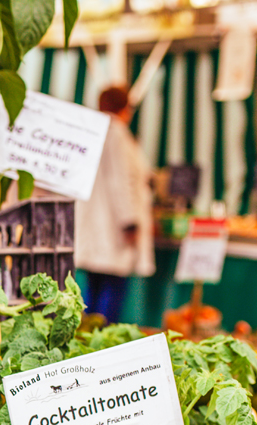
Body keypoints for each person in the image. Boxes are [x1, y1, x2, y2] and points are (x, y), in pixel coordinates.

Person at [74, 85, 154, 322]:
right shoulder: (117, 134)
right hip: (113, 228)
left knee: (94, 288)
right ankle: (101, 343)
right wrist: (129, 222)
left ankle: (89, 339)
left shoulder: (91, 132)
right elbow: (120, 180)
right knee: (111, 290)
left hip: (95, 225)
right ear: (125, 108)